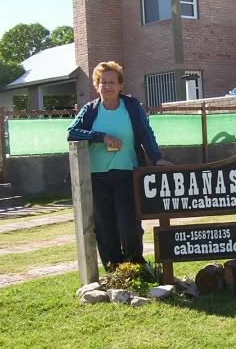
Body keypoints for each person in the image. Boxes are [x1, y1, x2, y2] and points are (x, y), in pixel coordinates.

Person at [67, 61, 169, 270]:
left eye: (112, 82)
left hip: (127, 174)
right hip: (97, 177)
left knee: (129, 225)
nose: (108, 86)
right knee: (105, 228)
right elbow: (72, 132)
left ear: (120, 85)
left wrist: (156, 157)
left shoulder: (131, 106)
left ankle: (135, 266)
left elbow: (145, 134)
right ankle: (115, 270)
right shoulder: (90, 110)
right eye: (103, 82)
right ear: (97, 86)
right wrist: (100, 136)